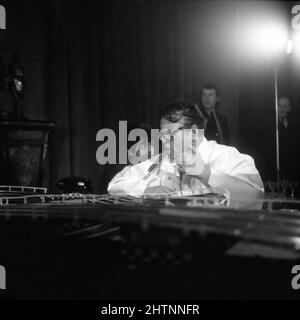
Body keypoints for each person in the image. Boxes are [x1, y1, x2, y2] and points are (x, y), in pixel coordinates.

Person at [108, 100, 264, 200]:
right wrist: (146, 189)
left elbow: (255, 196)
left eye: (169, 133)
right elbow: (117, 184)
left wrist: (206, 173)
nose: (162, 139)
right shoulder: (163, 160)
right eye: (161, 134)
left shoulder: (226, 156)